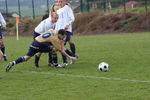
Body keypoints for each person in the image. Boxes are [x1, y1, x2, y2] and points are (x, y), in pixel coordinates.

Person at [5, 29, 77, 72]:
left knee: (26, 57)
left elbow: (48, 34)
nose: (63, 38)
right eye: (63, 36)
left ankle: (13, 63)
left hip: (35, 41)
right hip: (40, 45)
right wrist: (70, 57)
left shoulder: (53, 30)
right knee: (54, 49)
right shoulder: (55, 39)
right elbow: (62, 50)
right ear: (60, 34)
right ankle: (55, 65)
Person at [55, 0, 76, 66]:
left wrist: (67, 24)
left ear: (64, 1)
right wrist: (55, 30)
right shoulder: (58, 10)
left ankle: (65, 61)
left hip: (65, 30)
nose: (59, 3)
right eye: (58, 2)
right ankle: (73, 56)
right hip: (59, 31)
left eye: (61, 1)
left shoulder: (67, 8)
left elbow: (72, 18)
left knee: (61, 45)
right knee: (69, 42)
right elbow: (58, 22)